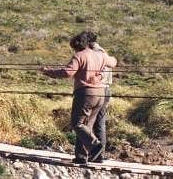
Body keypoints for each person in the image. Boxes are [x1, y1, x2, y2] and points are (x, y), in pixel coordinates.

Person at [41, 31, 117, 165]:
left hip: (85, 93)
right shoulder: (100, 55)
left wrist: (48, 71)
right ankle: (81, 157)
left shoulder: (79, 56)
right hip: (100, 94)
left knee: (77, 124)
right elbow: (114, 62)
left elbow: (67, 72)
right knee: (87, 125)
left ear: (76, 45)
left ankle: (94, 145)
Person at [87, 31, 112, 163]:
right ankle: (99, 154)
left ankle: (94, 152)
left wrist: (96, 78)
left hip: (99, 89)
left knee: (91, 122)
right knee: (99, 123)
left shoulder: (96, 52)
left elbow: (104, 70)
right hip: (105, 89)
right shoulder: (102, 51)